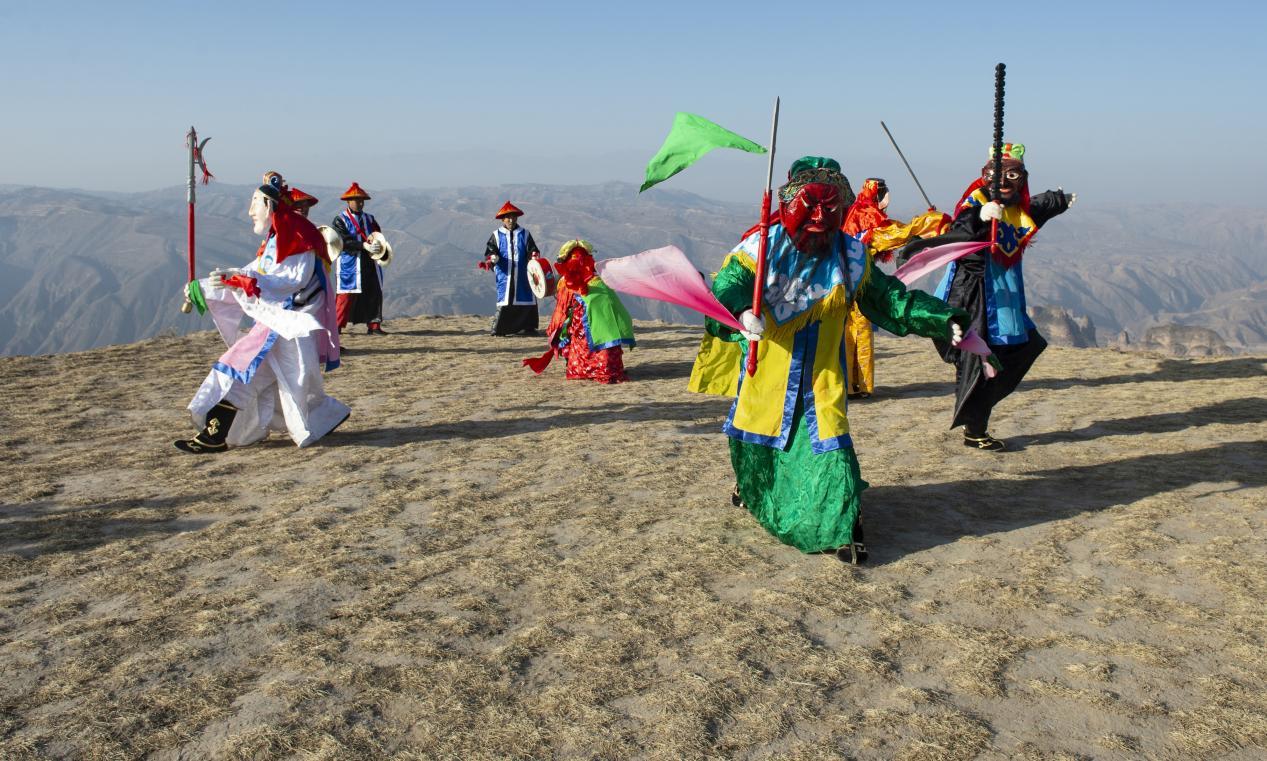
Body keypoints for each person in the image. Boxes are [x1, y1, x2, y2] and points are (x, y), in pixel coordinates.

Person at [706, 157, 968, 563]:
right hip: (767, 375)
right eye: (809, 204)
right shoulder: (759, 248)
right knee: (758, 446)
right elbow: (727, 285)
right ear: (789, 204)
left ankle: (841, 528)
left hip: (823, 379)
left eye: (831, 207)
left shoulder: (850, 257)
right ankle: (752, 489)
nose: (819, 216)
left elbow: (890, 300)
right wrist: (742, 309)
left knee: (831, 450)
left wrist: (941, 318)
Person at [176, 172, 349, 453]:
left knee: (243, 374)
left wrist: (246, 282)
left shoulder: (297, 238)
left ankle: (215, 435)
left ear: (269, 206)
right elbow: (252, 271)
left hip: (288, 326)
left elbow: (289, 281)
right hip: (275, 327)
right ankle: (216, 435)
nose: (249, 211)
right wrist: (205, 287)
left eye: (254, 203)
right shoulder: (276, 239)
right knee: (244, 376)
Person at [925, 143, 1075, 451]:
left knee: (1026, 347)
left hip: (1005, 297)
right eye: (996, 174)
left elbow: (1034, 208)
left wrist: (1058, 200)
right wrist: (980, 216)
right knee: (978, 358)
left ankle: (977, 412)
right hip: (974, 295)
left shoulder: (1016, 207)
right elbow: (961, 227)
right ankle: (975, 428)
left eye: (1012, 175)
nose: (1003, 182)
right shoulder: (977, 200)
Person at [840, 178, 952, 398]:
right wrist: (931, 222)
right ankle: (857, 386)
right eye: (884, 195)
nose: (887, 200)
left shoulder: (857, 212)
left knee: (850, 330)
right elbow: (894, 234)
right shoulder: (868, 216)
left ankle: (850, 384)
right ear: (877, 195)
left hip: (847, 279)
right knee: (858, 332)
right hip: (860, 281)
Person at [523, 240, 635, 383]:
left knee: (579, 340)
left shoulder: (567, 282)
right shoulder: (598, 282)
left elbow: (562, 309)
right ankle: (605, 368)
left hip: (580, 323)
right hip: (601, 328)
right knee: (601, 342)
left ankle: (583, 369)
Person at [333, 182, 388, 335]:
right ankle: (336, 326)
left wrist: (378, 246)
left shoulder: (370, 219)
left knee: (374, 291)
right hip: (350, 262)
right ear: (348, 202)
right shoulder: (340, 220)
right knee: (345, 294)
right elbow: (341, 240)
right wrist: (362, 245)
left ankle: (374, 325)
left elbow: (378, 235)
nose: (360, 203)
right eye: (357, 200)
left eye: (362, 200)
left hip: (370, 261)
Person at [482, 202, 541, 335]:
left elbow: (532, 249)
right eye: (508, 217)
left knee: (526, 298)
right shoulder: (496, 235)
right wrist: (493, 257)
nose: (511, 220)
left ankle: (528, 327)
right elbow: (490, 251)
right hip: (505, 274)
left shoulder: (525, 234)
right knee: (506, 299)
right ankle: (500, 329)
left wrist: (534, 256)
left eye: (513, 217)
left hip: (523, 274)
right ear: (503, 219)